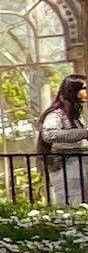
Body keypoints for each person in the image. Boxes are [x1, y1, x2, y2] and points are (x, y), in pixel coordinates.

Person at [38, 73, 88, 206]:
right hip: (66, 164)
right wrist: (83, 133)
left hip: (78, 162)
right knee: (72, 200)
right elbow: (49, 134)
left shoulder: (75, 114)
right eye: (84, 88)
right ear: (73, 91)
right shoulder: (57, 114)